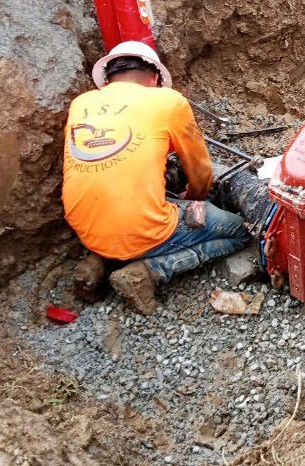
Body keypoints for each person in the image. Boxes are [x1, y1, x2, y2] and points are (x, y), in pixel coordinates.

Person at [62, 40, 251, 315]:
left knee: (122, 211)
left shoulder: (81, 103)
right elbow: (200, 170)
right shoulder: (167, 100)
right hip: (139, 229)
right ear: (154, 78)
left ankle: (99, 262)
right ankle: (147, 272)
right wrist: (196, 199)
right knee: (239, 231)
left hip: (86, 229)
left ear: (108, 77)